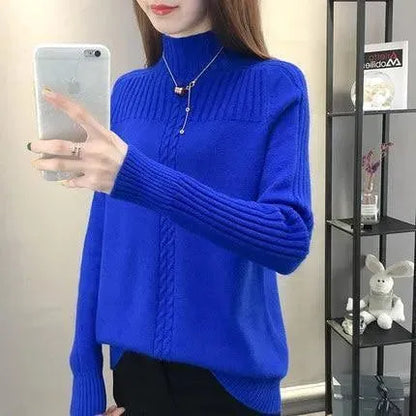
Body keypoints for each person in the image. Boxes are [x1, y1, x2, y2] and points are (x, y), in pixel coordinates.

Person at [28, 0, 314, 415]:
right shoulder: (127, 93)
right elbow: (101, 241)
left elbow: (288, 237)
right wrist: (85, 379)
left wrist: (139, 177)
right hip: (135, 374)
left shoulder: (277, 86)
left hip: (232, 384)